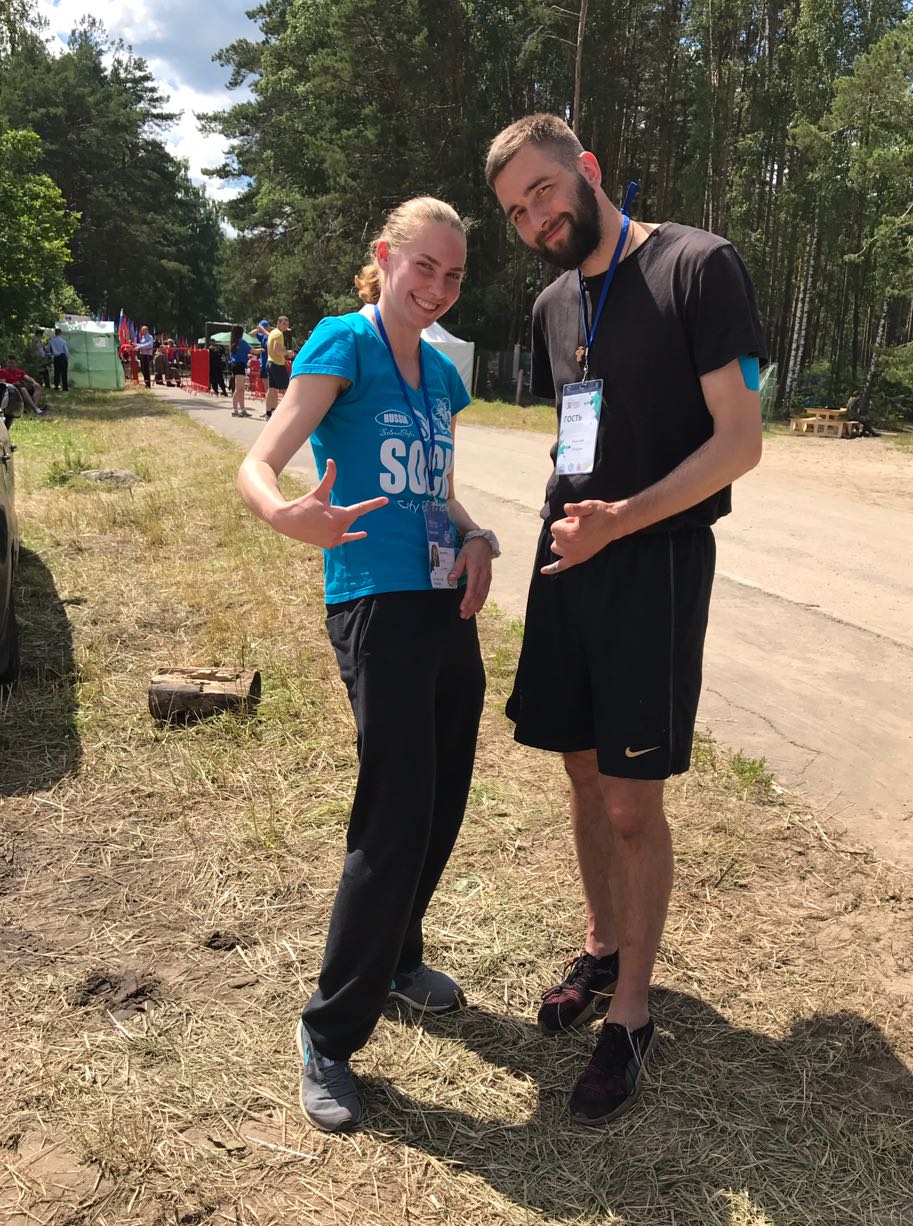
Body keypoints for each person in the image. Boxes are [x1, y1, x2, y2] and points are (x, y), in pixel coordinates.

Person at [485, 114, 765, 1126]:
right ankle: (603, 946)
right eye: (516, 211)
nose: (536, 218)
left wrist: (623, 521)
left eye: (543, 191)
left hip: (654, 563)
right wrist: (574, 525)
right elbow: (578, 430)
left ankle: (632, 1013)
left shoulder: (698, 268)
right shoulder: (553, 302)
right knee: (581, 770)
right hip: (572, 558)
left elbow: (739, 442)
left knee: (634, 804)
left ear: (587, 169)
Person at [237, 196, 498, 1134]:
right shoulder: (341, 343)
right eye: (423, 266)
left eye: (453, 275)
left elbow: (440, 494)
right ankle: (329, 1034)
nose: (437, 287)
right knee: (394, 813)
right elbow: (260, 460)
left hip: (444, 602)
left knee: (445, 796)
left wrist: (478, 536)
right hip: (374, 604)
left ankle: (397, 958)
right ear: (385, 257)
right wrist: (285, 514)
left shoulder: (443, 376)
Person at [263, 315, 291, 420]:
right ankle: (286, 413)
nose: (285, 326)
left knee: (272, 390)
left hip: (270, 363)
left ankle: (269, 413)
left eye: (287, 324)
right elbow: (278, 351)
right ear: (278, 323)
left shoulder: (272, 333)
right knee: (286, 390)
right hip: (277, 364)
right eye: (284, 324)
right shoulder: (279, 334)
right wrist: (288, 352)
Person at [229, 326, 252, 417]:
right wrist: (262, 350)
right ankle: (236, 409)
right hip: (239, 365)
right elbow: (253, 350)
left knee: (240, 389)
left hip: (236, 365)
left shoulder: (234, 342)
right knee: (240, 389)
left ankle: (241, 409)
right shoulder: (241, 342)